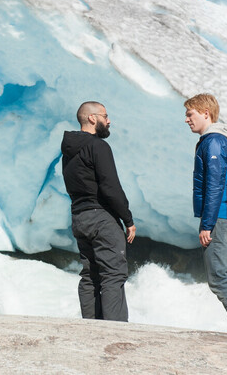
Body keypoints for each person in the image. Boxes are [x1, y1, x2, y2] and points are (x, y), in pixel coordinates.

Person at [184, 93, 227, 336]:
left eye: (190, 114)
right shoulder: (217, 141)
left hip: (219, 220)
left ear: (206, 113)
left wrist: (207, 225)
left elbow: (214, 185)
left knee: (219, 280)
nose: (186, 119)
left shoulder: (213, 142)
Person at [61, 101, 136, 322]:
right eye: (105, 115)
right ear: (92, 118)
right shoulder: (98, 146)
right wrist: (128, 220)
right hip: (102, 218)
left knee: (90, 275)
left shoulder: (69, 149)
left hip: (79, 217)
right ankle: (115, 331)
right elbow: (110, 186)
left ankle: (92, 328)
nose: (109, 120)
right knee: (113, 275)